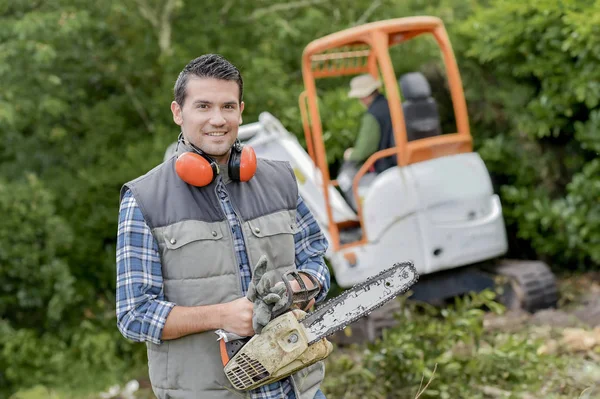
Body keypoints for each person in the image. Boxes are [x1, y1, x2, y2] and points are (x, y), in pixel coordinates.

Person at [116, 54, 330, 399]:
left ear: (241, 111)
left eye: (228, 106)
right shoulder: (144, 200)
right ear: (177, 112)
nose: (218, 119)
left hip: (297, 389)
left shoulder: (280, 180)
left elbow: (316, 261)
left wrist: (293, 290)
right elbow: (134, 315)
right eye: (203, 106)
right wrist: (223, 316)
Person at [344, 74, 396, 174]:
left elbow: (363, 151)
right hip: (396, 160)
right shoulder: (391, 104)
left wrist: (350, 154)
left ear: (363, 96)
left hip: (386, 168)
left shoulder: (372, 116)